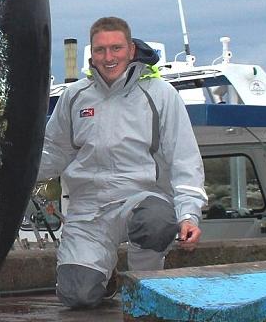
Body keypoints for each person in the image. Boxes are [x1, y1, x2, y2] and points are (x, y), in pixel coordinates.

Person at [38, 16, 207, 309]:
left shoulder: (161, 94)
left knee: (155, 223)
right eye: (100, 50)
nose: (108, 57)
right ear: (92, 54)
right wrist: (9, 176)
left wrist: (189, 214)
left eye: (116, 48)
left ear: (130, 50)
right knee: (76, 297)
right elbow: (53, 153)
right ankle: (105, 277)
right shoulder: (73, 97)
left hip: (141, 199)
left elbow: (185, 158)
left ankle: (142, 281)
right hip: (89, 209)